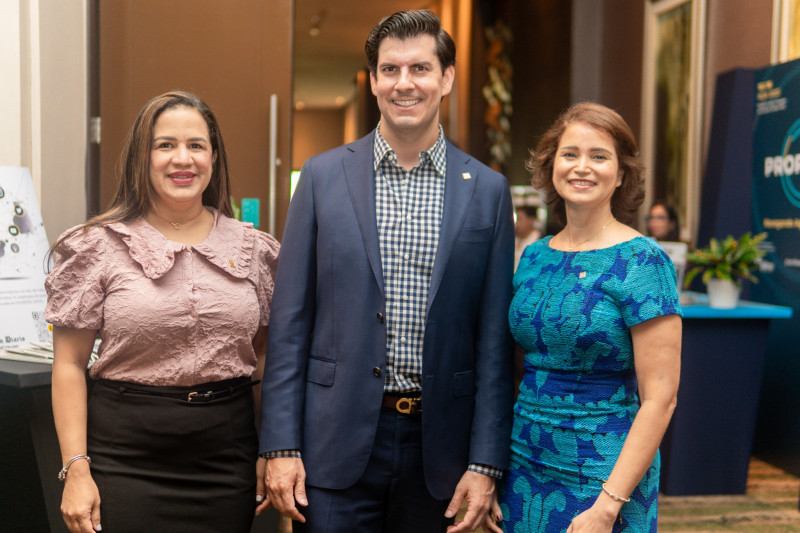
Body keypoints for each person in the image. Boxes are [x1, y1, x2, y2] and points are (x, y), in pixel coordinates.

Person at [256, 9, 515, 533]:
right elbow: (289, 322)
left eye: (420, 69)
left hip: (440, 450)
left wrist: (486, 463)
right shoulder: (322, 177)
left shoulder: (487, 190)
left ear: (446, 78)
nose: (404, 83)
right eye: (390, 69)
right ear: (373, 80)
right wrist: (281, 444)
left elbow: (493, 342)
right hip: (333, 444)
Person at [45, 91, 279, 533]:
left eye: (196, 145)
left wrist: (272, 449)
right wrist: (76, 470)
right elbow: (70, 365)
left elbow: (265, 361)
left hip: (225, 459)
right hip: (125, 461)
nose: (182, 159)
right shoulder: (96, 247)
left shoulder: (255, 251)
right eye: (165, 145)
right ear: (143, 157)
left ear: (214, 157)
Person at [494, 102, 682, 533]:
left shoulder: (643, 262)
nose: (582, 167)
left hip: (604, 473)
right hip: (524, 460)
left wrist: (608, 505)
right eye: (570, 154)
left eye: (599, 156)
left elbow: (660, 399)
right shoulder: (535, 256)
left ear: (621, 174)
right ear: (551, 166)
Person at [514, 205, 541, 270]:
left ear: (531, 220)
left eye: (519, 219)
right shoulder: (514, 239)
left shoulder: (540, 242)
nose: (516, 224)